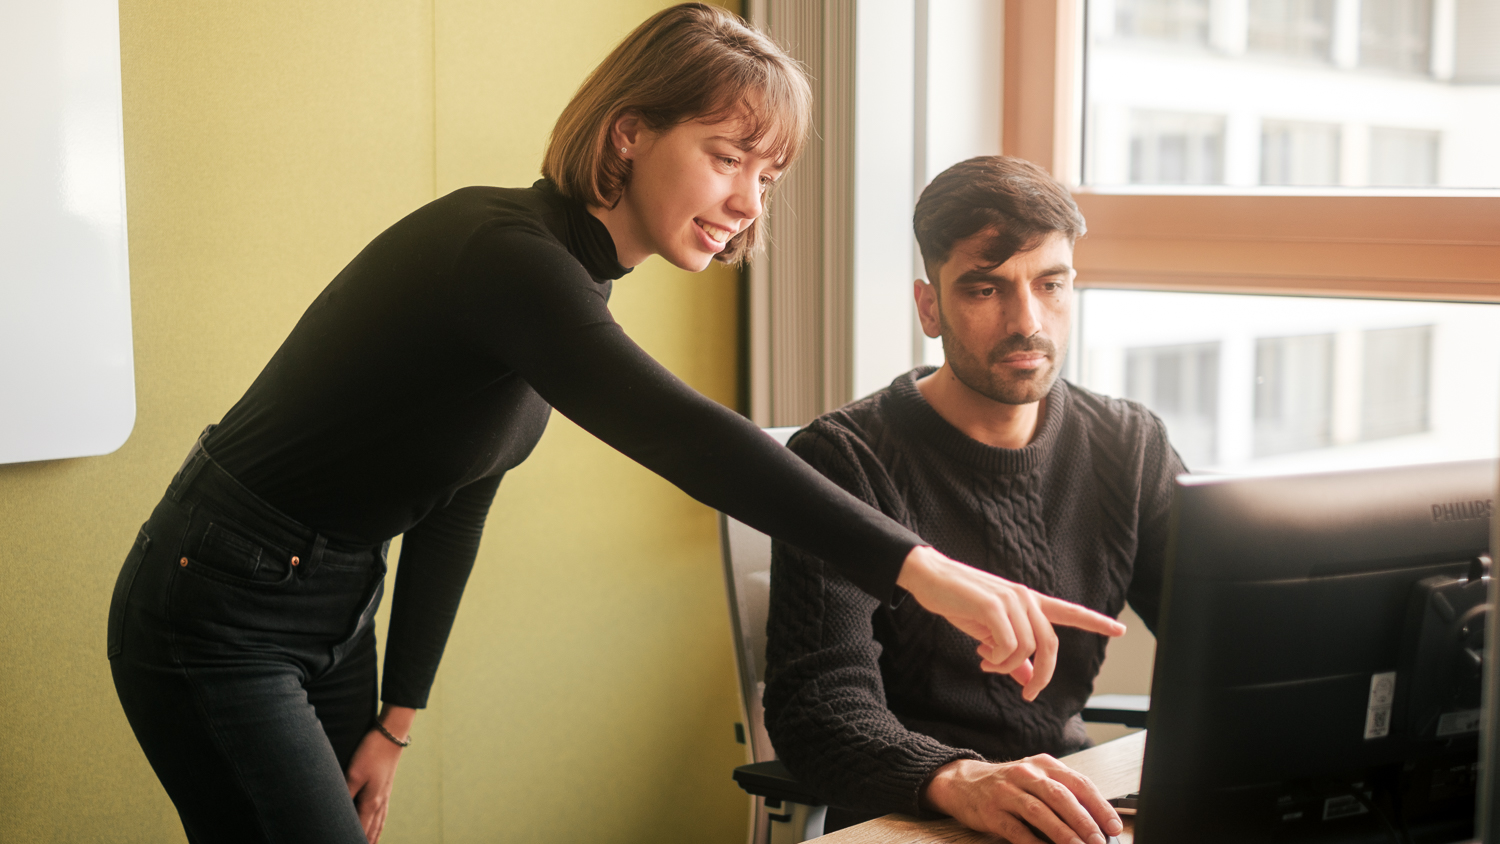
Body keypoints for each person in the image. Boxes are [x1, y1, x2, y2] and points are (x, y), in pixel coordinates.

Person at [106, 8, 1125, 844]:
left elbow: (456, 504)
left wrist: (396, 719)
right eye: (727, 156)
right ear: (630, 133)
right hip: (221, 598)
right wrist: (927, 572)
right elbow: (687, 437)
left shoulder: (565, 288)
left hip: (333, 605)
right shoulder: (504, 256)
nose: (747, 201)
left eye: (766, 176)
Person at [762, 155, 1186, 843]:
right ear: (930, 306)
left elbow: (1222, 636)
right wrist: (960, 780)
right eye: (986, 289)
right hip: (908, 814)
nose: (1028, 322)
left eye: (1050, 284)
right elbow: (817, 708)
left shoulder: (1129, 445)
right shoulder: (844, 460)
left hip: (1065, 805)